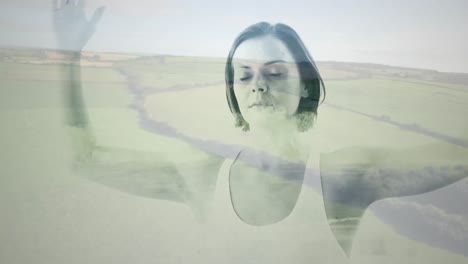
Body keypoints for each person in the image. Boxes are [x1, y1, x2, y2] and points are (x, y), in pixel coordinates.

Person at [53, 0, 468, 260]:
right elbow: (89, 159)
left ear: (305, 84)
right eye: (244, 75)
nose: (258, 85)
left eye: (275, 72)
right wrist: (69, 58)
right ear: (233, 90)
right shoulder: (202, 175)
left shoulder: (343, 175)